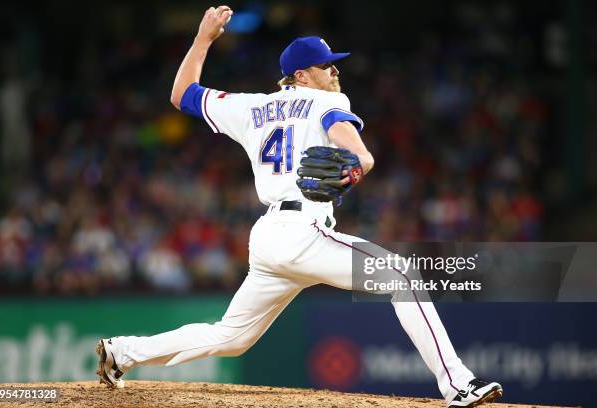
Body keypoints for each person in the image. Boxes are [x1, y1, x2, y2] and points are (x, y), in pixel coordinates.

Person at [96, 6, 502, 407]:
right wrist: (362, 160)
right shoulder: (325, 101)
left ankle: (124, 352)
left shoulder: (251, 106)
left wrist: (203, 38)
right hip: (302, 231)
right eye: (327, 66)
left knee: (232, 338)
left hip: (270, 237)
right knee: (401, 275)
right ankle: (458, 385)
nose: (335, 72)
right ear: (303, 75)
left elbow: (181, 94)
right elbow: (353, 145)